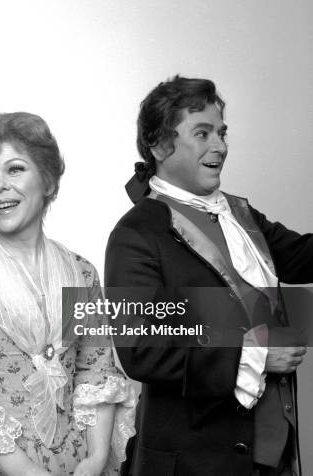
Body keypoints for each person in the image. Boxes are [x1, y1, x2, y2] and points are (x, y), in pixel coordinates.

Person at [105, 76, 312, 476]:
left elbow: (302, 256)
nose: (220, 145)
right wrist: (256, 356)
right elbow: (141, 350)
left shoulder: (240, 213)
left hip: (270, 451)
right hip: (197, 461)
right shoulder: (136, 234)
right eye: (202, 133)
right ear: (160, 145)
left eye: (221, 132)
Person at [0, 112, 135, 476]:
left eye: (15, 169)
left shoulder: (80, 272)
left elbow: (95, 371)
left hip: (72, 464)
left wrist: (95, 460)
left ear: (47, 181)